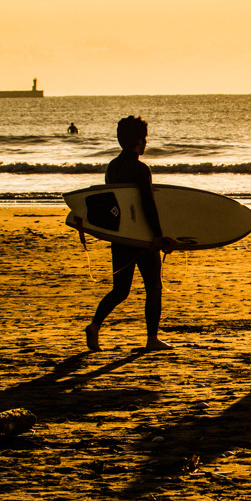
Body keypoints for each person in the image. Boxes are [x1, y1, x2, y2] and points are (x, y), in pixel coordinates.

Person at [85, 116, 174, 352]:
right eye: (144, 138)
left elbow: (114, 204)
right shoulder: (141, 169)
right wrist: (157, 235)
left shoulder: (113, 167)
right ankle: (152, 339)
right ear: (137, 141)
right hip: (142, 237)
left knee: (120, 290)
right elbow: (147, 204)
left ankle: (95, 325)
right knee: (154, 286)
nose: (145, 143)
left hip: (121, 237)